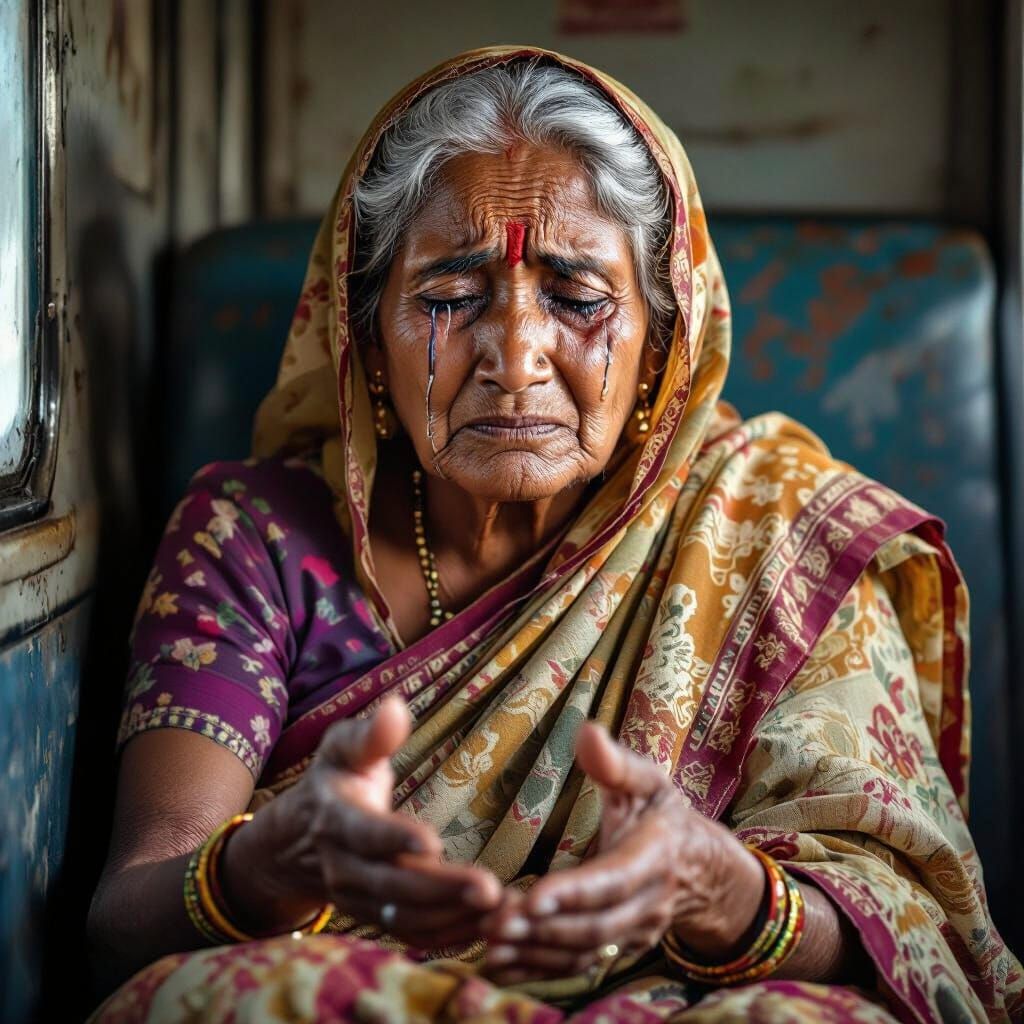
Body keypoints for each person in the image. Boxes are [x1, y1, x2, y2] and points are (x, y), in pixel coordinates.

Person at [87, 46, 1022, 1023]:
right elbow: (125, 923)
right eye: (450, 299)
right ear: (364, 338)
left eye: (577, 301)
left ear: (662, 344)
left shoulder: (775, 528)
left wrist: (721, 890)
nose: (517, 356)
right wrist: (266, 863)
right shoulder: (258, 537)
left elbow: (903, 925)